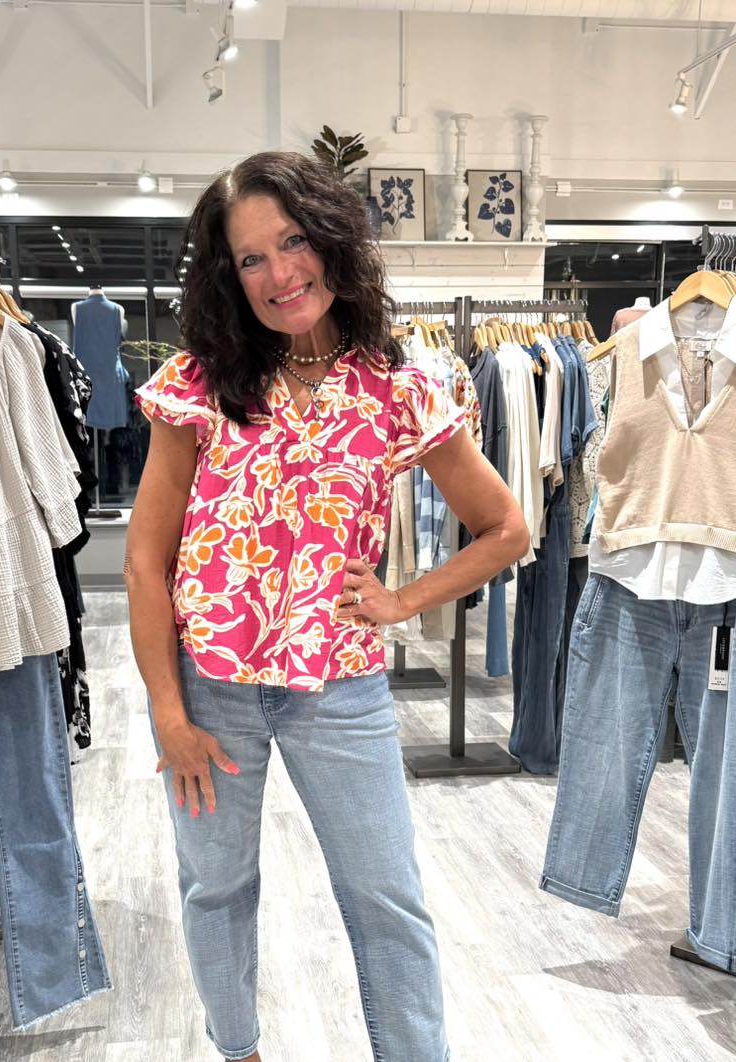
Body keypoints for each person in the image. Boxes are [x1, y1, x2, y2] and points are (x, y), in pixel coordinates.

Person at [124, 150, 529, 1062]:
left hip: (339, 691)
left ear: (331, 240)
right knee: (216, 889)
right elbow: (147, 567)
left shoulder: (398, 381)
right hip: (211, 691)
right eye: (252, 258)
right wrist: (169, 718)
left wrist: (402, 600)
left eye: (294, 242)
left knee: (387, 896)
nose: (280, 274)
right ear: (229, 275)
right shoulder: (201, 382)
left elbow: (506, 528)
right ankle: (239, 1052)